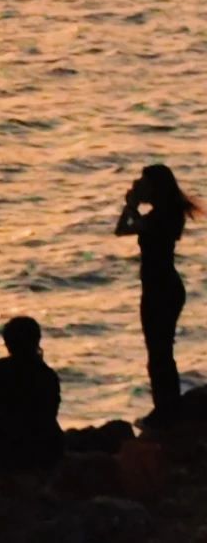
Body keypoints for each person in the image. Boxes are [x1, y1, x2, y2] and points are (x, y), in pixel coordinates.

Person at [116, 164, 198, 423]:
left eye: (145, 182)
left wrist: (132, 205)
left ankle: (167, 409)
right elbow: (122, 229)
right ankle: (165, 406)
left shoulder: (166, 216)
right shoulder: (159, 214)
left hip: (162, 288)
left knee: (160, 351)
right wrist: (131, 206)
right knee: (158, 350)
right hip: (156, 287)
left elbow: (136, 227)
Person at [0, 317, 63, 489]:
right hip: (44, 443)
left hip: (1, 441)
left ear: (7, 342)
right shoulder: (47, 375)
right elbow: (51, 412)